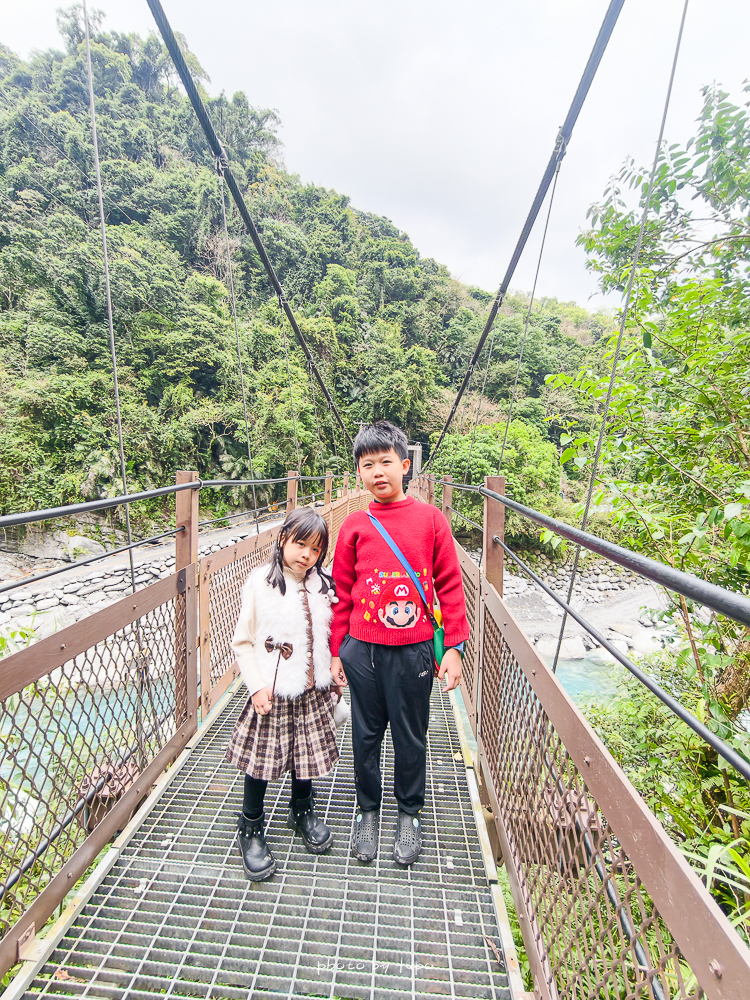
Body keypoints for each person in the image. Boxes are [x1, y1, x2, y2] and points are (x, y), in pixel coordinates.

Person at [331, 421, 469, 865]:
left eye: (386, 462)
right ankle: (367, 811)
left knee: (411, 737)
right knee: (365, 736)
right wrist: (338, 650)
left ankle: (408, 813)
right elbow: (340, 591)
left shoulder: (432, 520)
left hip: (414, 649)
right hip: (363, 649)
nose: (377, 472)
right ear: (358, 473)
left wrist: (454, 648)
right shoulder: (353, 524)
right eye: (367, 465)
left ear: (405, 466)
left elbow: (450, 585)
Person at [226, 506, 347, 881]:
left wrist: (334, 666)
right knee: (260, 762)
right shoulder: (260, 582)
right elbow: (243, 642)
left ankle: (302, 808)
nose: (306, 555)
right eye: (300, 544)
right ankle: (250, 825)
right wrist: (257, 686)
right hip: (273, 690)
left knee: (305, 754)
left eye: (315, 549)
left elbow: (326, 634)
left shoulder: (321, 584)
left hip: (312, 688)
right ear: (282, 540)